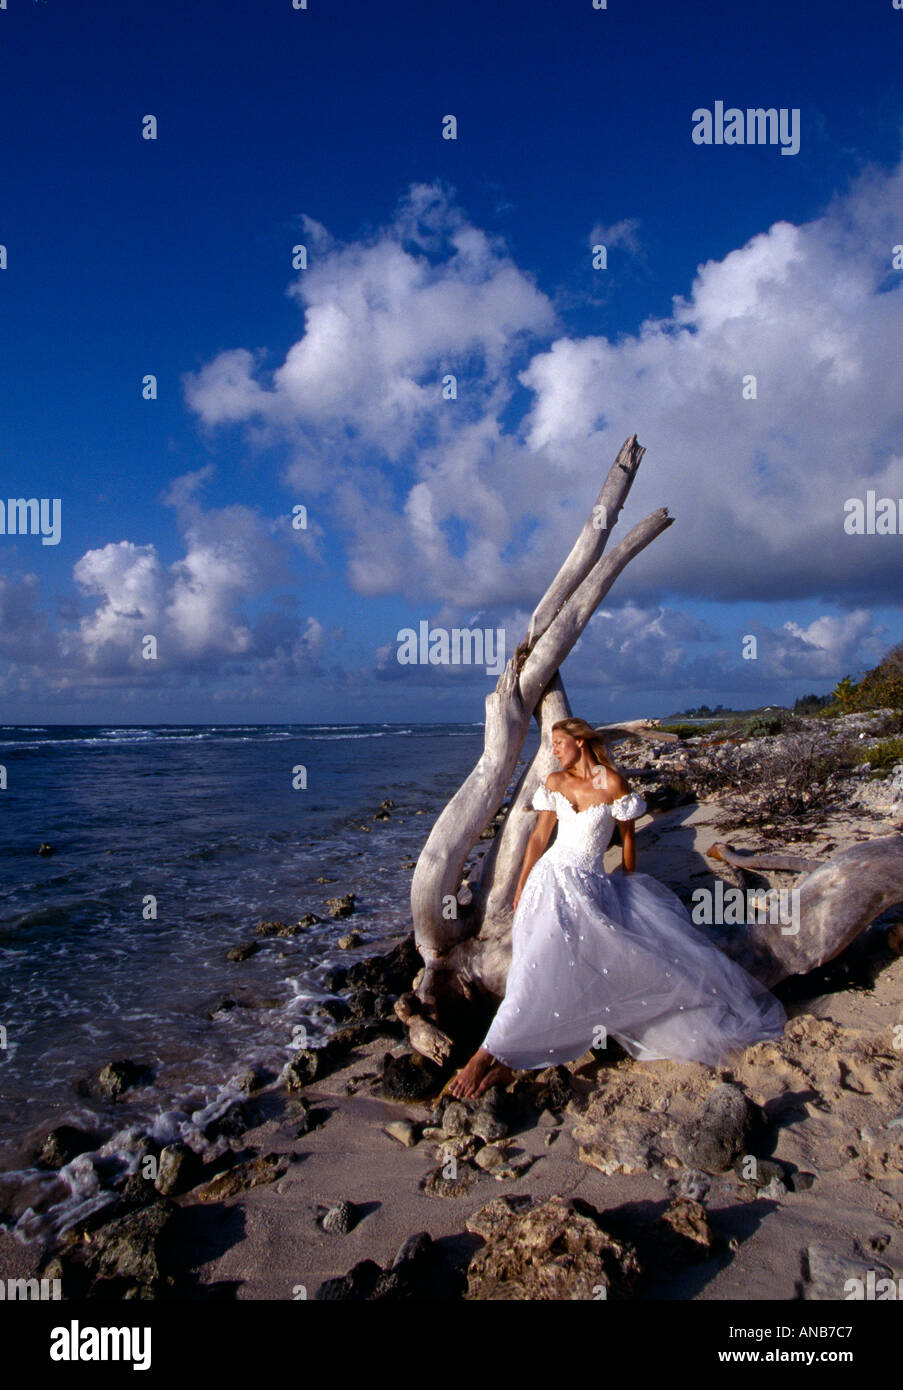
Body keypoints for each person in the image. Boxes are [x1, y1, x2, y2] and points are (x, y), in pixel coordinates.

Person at [445, 717, 787, 1099]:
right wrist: (523, 882)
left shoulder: (613, 785)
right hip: (546, 882)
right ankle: (492, 1055)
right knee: (531, 968)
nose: (554, 750)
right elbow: (539, 836)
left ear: (581, 741)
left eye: (559, 742)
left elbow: (628, 842)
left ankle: (496, 1057)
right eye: (553, 744)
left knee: (559, 969)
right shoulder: (556, 782)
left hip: (588, 884)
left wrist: (625, 881)